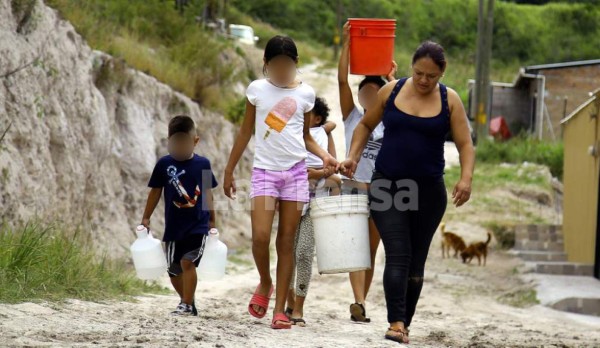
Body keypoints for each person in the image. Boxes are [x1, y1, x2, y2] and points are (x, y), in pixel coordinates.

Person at [340, 41, 475, 343]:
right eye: (419, 73)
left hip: (428, 191)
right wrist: (353, 156)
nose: (424, 81)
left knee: (416, 261)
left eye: (431, 76)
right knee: (398, 253)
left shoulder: (449, 100)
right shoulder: (392, 91)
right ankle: (396, 322)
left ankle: (405, 321)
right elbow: (364, 125)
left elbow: (466, 143)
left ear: (442, 72)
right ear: (411, 67)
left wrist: (466, 178)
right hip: (388, 185)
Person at [223, 35, 338, 330]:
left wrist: (326, 156)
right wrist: (229, 170)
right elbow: (245, 132)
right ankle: (265, 281)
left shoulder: (306, 95)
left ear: (296, 64)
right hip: (264, 172)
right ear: (266, 64)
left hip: (296, 174)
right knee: (260, 237)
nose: (281, 71)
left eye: (287, 66)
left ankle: (280, 311)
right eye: (276, 66)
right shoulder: (257, 90)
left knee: (286, 242)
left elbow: (306, 137)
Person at [338, 20, 397, 323]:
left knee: (370, 250)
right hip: (352, 188)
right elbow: (341, 82)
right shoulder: (351, 117)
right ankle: (358, 300)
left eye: (376, 93)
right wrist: (347, 45)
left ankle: (360, 302)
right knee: (354, 246)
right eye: (366, 93)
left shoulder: (392, 118)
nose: (369, 97)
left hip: (381, 192)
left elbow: (400, 94)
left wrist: (391, 77)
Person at [141, 115, 218, 316]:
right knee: (174, 270)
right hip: (174, 227)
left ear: (195, 141)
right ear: (169, 142)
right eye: (175, 143)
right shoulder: (163, 165)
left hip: (198, 226)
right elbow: (155, 192)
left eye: (185, 143)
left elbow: (208, 192)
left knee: (188, 262)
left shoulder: (203, 164)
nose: (180, 148)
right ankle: (189, 302)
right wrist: (146, 217)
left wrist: (212, 220)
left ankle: (184, 304)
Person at [286, 97, 340, 327]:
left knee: (304, 253)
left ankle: (298, 307)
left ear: (316, 118)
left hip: (315, 203)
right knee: (287, 253)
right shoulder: (288, 133)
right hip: (290, 199)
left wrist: (316, 173)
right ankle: (287, 303)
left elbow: (333, 166)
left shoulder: (321, 134)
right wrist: (317, 173)